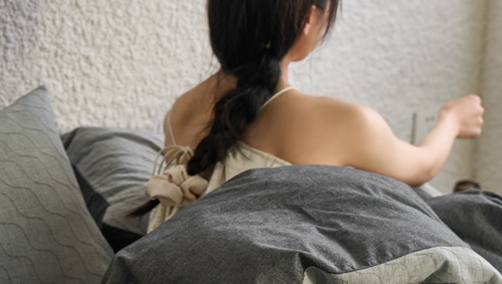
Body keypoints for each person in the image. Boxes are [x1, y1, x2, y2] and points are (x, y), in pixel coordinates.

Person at [143, 0, 484, 231]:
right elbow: (422, 165)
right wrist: (450, 119)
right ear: (308, 19)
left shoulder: (180, 109)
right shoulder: (344, 122)